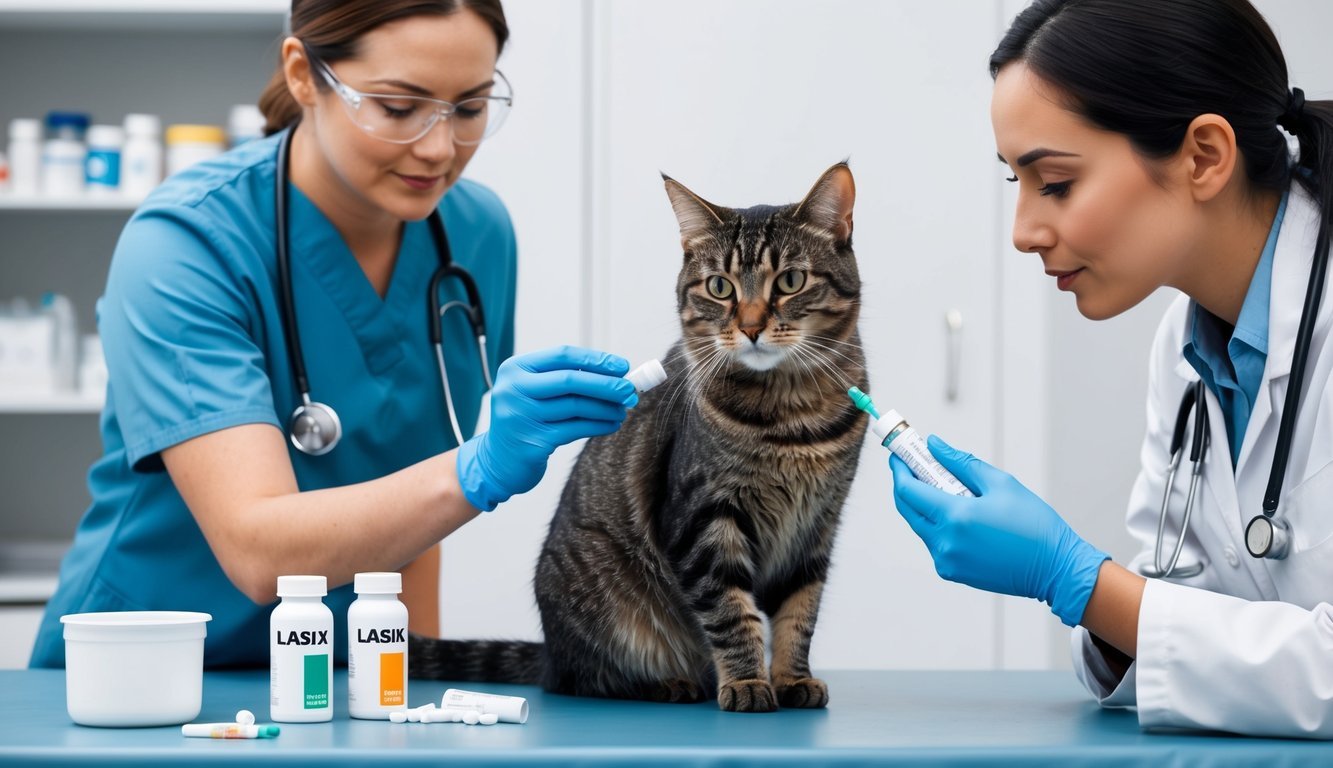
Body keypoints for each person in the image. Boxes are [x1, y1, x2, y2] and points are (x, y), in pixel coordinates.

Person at [30, 0, 637, 669]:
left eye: (468, 107)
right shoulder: (186, 244)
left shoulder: (474, 234)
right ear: (302, 75)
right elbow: (259, 552)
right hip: (145, 671)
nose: (439, 148)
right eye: (399, 108)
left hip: (338, 673)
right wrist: (480, 469)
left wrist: (411, 681)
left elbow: (413, 506)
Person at [890, 0, 1333, 739]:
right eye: (1017, 185)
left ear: (1202, 157)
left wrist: (1076, 581)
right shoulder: (1186, 351)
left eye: (1055, 183)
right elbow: (1189, 606)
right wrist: (1101, 601)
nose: (1024, 233)